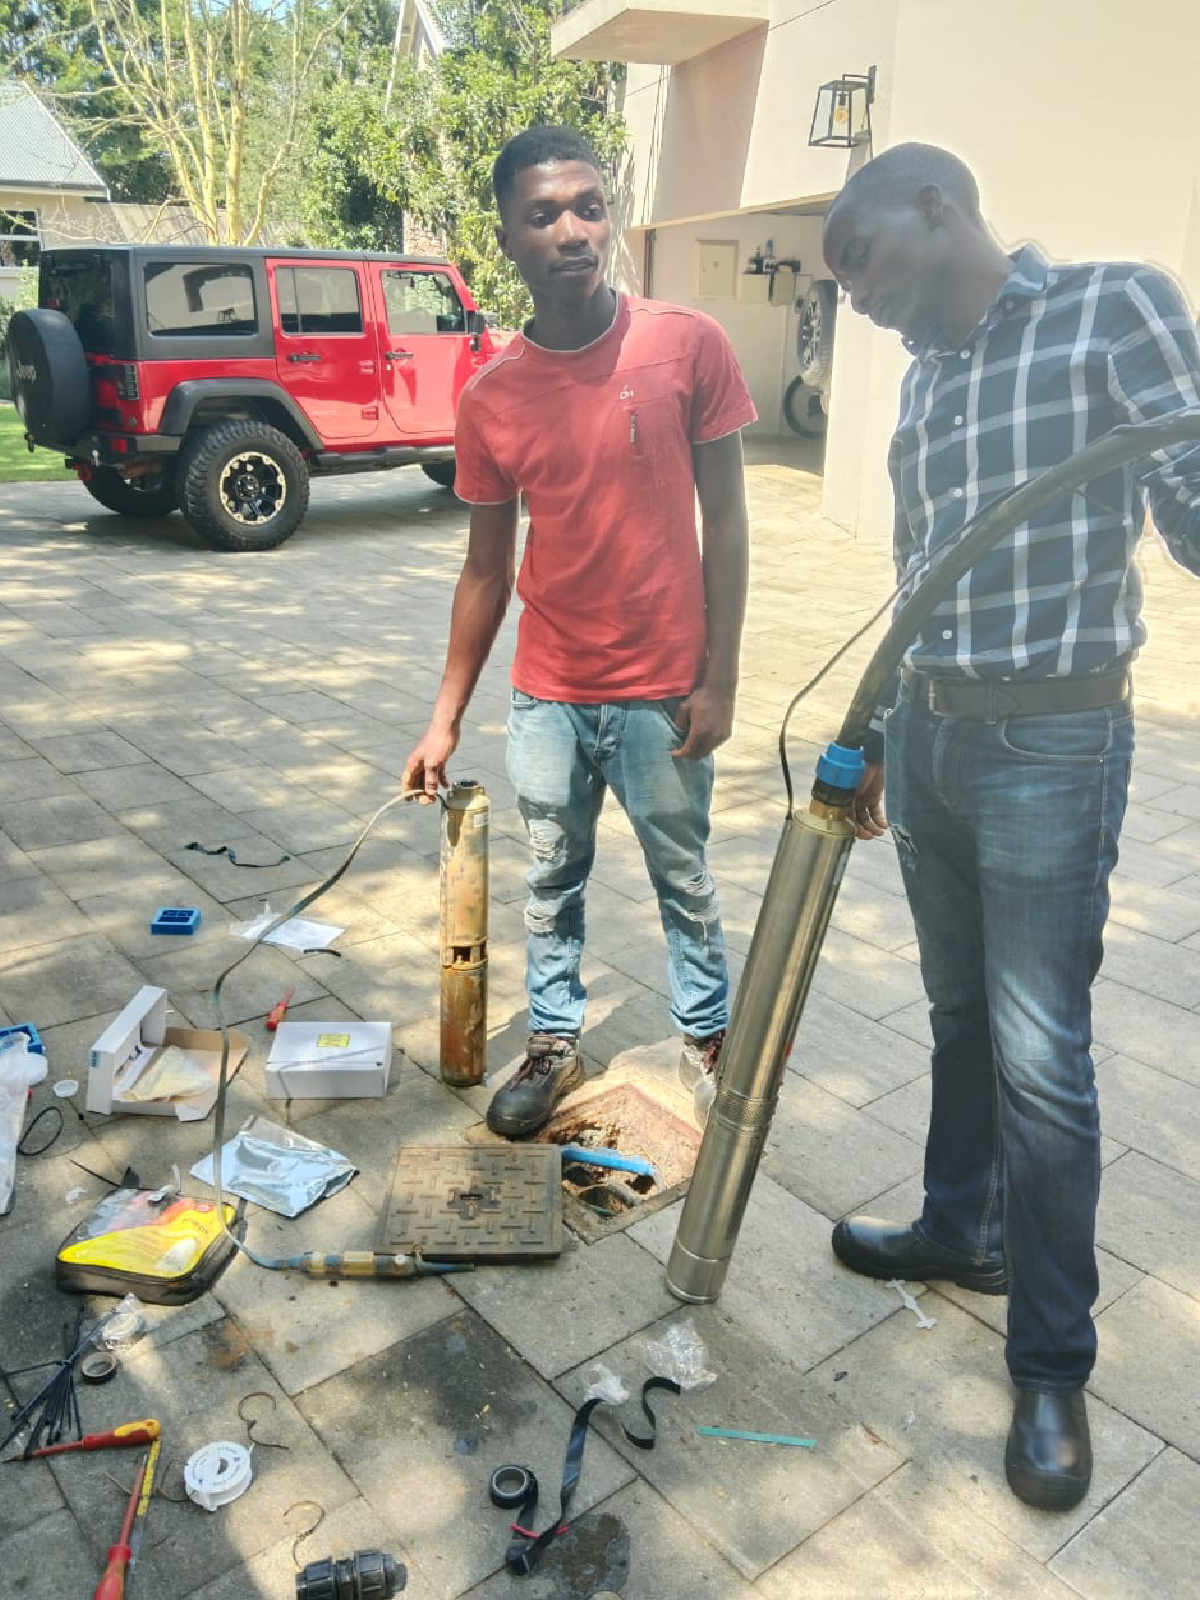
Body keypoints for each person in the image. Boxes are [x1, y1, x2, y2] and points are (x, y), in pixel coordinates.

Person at [821, 142, 1200, 1511]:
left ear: (938, 205)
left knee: (1042, 1058)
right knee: (957, 1016)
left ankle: (1049, 1365)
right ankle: (958, 1227)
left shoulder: (1113, 307)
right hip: (931, 737)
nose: (851, 293)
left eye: (858, 257)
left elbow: (1191, 502)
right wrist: (874, 735)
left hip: (1053, 738)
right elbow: (917, 574)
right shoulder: (924, 380)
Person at [402, 125, 756, 1138]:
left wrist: (721, 677)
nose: (573, 231)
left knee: (683, 877)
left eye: (590, 208)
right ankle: (555, 1038)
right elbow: (486, 569)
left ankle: (709, 1036)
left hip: (663, 691)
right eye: (544, 215)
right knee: (551, 879)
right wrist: (444, 717)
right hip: (549, 696)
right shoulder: (492, 396)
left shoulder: (687, 344)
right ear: (507, 238)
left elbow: (728, 523)